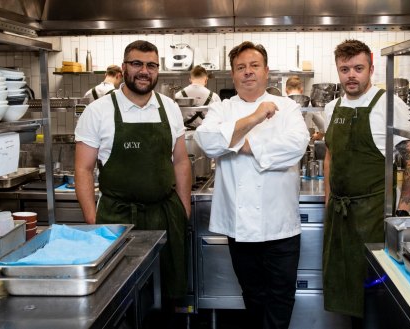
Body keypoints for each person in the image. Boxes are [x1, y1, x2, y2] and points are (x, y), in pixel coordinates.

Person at [74, 40, 191, 325]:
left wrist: (183, 209)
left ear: (157, 70)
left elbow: (181, 161)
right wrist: (94, 221)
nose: (144, 71)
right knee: (120, 300)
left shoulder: (170, 107)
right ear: (124, 67)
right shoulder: (98, 111)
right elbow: (83, 168)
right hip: (118, 219)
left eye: (151, 65)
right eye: (137, 64)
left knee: (166, 300)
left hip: (164, 216)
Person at [195, 41, 310, 329]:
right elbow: (207, 142)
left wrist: (237, 143)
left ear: (266, 71)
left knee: (281, 295)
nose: (248, 72)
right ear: (233, 75)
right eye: (240, 68)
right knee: (253, 294)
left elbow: (295, 147)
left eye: (254, 66)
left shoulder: (287, 108)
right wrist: (255, 117)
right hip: (239, 225)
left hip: (281, 225)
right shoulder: (221, 108)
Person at [322, 39, 410, 328]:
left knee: (375, 293)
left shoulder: (390, 105)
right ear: (338, 70)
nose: (351, 75)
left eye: (358, 68)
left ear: (371, 68)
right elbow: (330, 155)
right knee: (347, 287)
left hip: (374, 214)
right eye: (345, 69)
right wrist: (329, 200)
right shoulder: (333, 107)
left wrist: (402, 213)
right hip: (341, 217)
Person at [285, 75, 325, 140]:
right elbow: (324, 127)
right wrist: (318, 136)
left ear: (286, 90)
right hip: (303, 146)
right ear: (301, 90)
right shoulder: (310, 104)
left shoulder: (280, 104)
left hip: (283, 147)